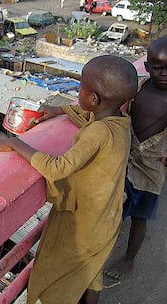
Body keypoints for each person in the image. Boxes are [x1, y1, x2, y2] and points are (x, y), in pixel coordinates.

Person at [0, 55, 138, 304]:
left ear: (93, 99)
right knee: (91, 274)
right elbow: (88, 117)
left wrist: (17, 144)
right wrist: (58, 110)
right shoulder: (120, 122)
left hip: (86, 225)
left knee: (59, 282)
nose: (77, 93)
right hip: (108, 218)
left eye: (80, 87)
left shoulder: (98, 132)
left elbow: (59, 168)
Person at [104, 37, 167, 280]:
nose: (163, 73)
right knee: (114, 210)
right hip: (124, 159)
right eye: (157, 67)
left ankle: (129, 259)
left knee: (140, 218)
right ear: (147, 67)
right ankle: (100, 254)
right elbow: (109, 102)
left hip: (151, 167)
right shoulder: (138, 87)